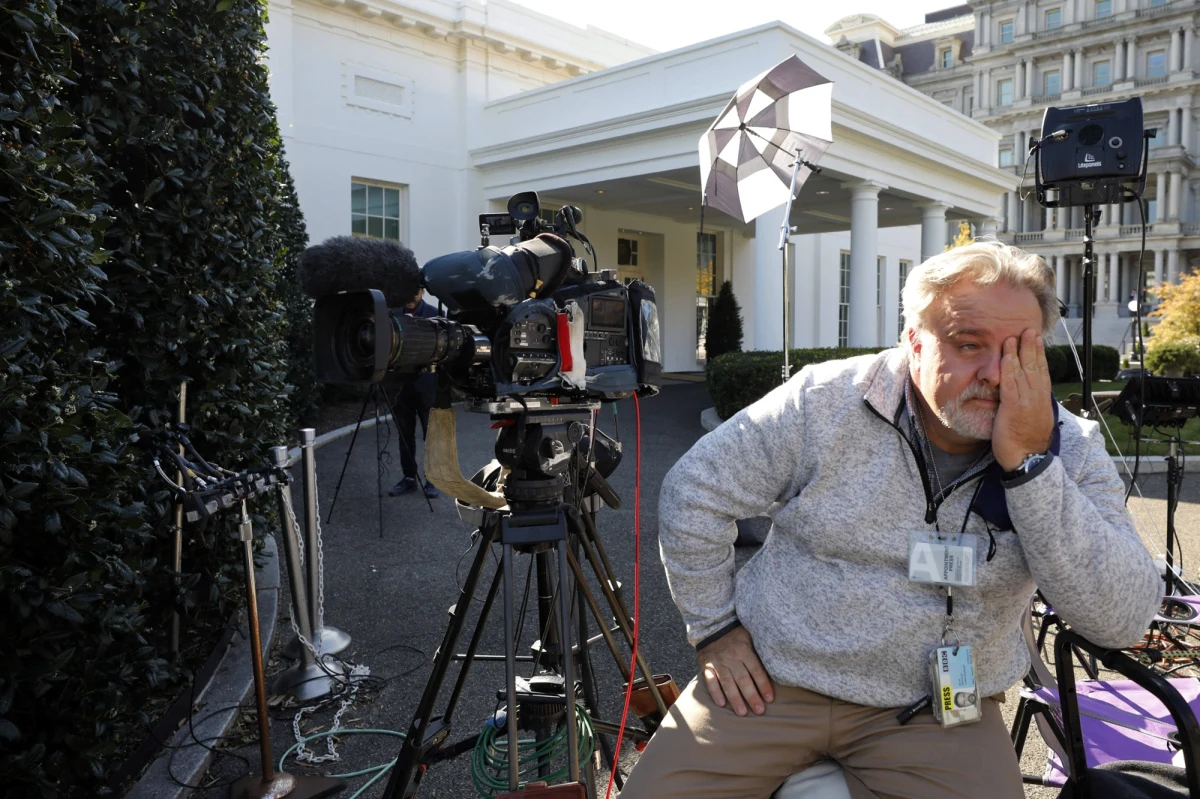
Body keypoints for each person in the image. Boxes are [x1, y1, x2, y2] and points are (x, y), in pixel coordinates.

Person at [619, 240, 1161, 799]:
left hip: (938, 710)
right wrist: (714, 630)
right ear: (914, 342)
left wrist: (1029, 466)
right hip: (773, 683)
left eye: (1018, 350)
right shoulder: (824, 402)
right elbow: (695, 491)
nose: (997, 374)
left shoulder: (1068, 446)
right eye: (969, 344)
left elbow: (1121, 619)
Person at [386, 287, 441, 499]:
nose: (410, 297)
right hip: (400, 385)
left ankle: (433, 480)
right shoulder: (393, 314)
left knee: (431, 434)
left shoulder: (436, 314)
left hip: (427, 385)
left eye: (415, 292)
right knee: (404, 434)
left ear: (422, 292)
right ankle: (409, 478)